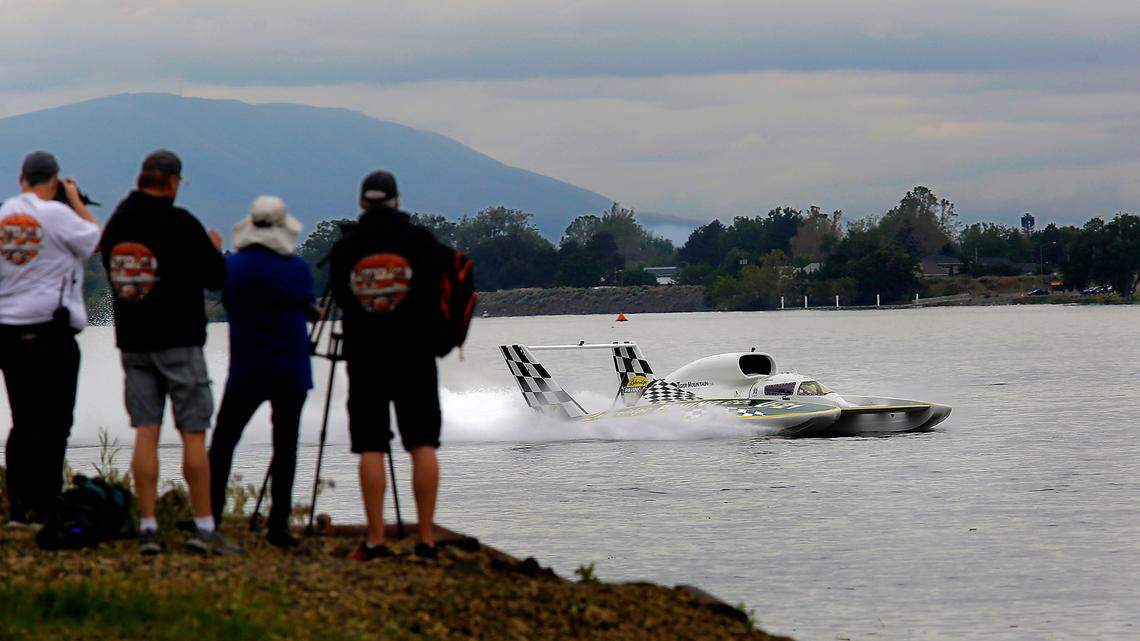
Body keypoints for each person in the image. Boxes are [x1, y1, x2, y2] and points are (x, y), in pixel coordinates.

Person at [100, 149, 238, 555]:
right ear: (173, 183)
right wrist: (212, 247)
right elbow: (216, 277)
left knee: (146, 430)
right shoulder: (180, 223)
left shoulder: (119, 222)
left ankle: (147, 527)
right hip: (180, 340)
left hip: (133, 341)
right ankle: (204, 526)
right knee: (193, 433)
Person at [329, 170, 456, 560]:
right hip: (415, 355)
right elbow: (448, 280)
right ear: (397, 200)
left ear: (363, 203)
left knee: (370, 446)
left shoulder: (347, 246)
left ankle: (375, 539)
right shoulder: (419, 240)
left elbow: (339, 298)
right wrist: (441, 338)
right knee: (423, 444)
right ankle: (427, 540)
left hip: (366, 357)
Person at [0, 152, 100, 525]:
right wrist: (74, 202)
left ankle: (18, 506)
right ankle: (46, 499)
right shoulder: (57, 214)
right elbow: (94, 240)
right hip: (51, 332)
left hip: (8, 332)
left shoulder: (5, 213)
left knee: (23, 421)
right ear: (54, 182)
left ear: (21, 179)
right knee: (57, 420)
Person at [208, 196, 314, 548]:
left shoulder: (234, 267)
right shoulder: (297, 268)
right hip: (290, 369)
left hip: (248, 368)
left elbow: (228, 300)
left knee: (223, 443)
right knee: (285, 447)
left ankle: (211, 516)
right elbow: (310, 308)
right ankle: (279, 525)